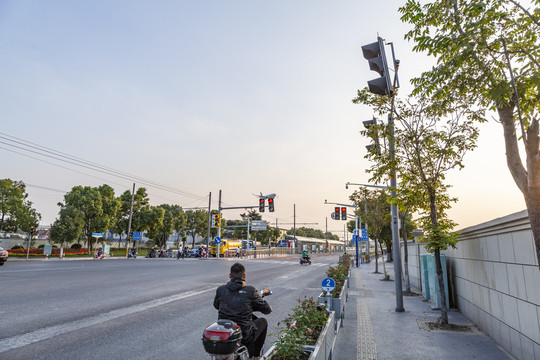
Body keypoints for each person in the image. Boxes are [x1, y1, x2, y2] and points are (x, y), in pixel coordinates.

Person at [214, 263, 272, 360]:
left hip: (225, 333)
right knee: (263, 322)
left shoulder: (221, 290)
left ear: (230, 276)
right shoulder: (250, 291)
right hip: (244, 335)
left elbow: (216, 305)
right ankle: (256, 356)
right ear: (244, 276)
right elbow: (267, 309)